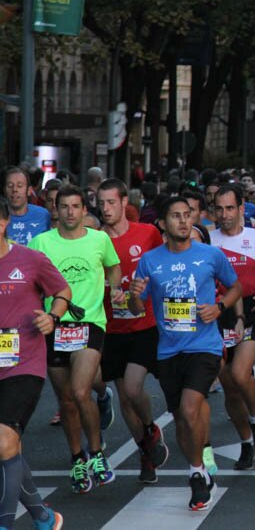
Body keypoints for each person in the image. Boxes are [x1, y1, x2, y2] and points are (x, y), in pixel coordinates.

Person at [130, 196, 242, 508]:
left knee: (191, 408)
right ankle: (200, 468)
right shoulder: (150, 261)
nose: (183, 221)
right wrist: (134, 296)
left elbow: (235, 287)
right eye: (175, 216)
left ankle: (195, 472)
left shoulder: (210, 254)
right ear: (163, 224)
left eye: (187, 215)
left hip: (204, 345)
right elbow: (137, 307)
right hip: (168, 350)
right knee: (181, 418)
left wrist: (219, 308)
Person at [29, 185, 122, 493]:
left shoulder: (100, 239)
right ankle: (77, 457)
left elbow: (114, 266)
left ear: (85, 210)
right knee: (66, 399)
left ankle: (96, 453)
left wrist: (114, 288)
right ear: (56, 210)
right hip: (53, 325)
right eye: (63, 206)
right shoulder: (41, 242)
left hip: (90, 323)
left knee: (82, 390)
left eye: (75, 206)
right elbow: (28, 278)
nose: (69, 212)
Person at [0, 196, 71, 530]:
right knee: (8, 446)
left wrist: (52, 317)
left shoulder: (30, 259)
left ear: (3, 224)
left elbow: (62, 290)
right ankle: (43, 516)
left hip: (23, 362)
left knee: (3, 441)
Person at [96, 179, 170, 483]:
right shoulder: (94, 240)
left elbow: (163, 266)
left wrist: (147, 288)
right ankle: (145, 450)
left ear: (124, 202)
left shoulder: (148, 233)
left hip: (144, 323)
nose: (106, 209)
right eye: (100, 203)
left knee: (132, 388)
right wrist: (104, 289)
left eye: (111, 202)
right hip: (112, 327)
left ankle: (151, 427)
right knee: (125, 400)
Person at [210, 185, 255, 469]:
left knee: (240, 374)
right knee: (228, 387)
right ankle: (246, 442)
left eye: (230, 208)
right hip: (216, 315)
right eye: (220, 209)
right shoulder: (208, 239)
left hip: (251, 312)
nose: (225, 214)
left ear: (242, 209)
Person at [3, 167, 49, 245]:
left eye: (19, 186)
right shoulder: (1, 216)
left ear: (29, 191)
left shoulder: (43, 215)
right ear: (4, 190)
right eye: (10, 186)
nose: (14, 189)